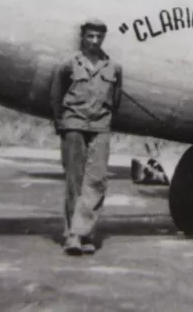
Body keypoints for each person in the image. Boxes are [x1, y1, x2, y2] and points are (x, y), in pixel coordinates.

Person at [50, 18, 122, 256]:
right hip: (74, 124)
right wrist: (61, 122)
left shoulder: (113, 67)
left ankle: (83, 232)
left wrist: (107, 120)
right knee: (75, 180)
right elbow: (56, 93)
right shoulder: (69, 64)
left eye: (98, 37)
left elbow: (117, 99)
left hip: (100, 126)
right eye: (90, 36)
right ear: (82, 37)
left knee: (98, 179)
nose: (94, 41)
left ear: (103, 38)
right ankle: (75, 234)